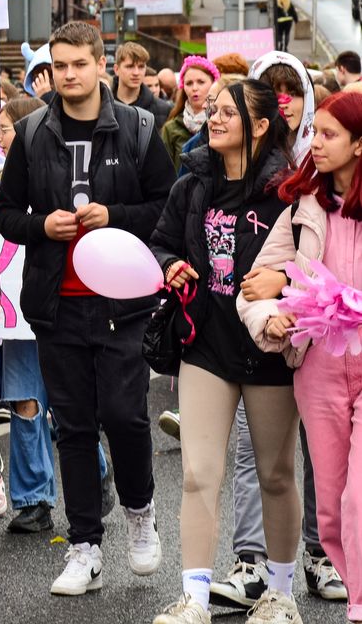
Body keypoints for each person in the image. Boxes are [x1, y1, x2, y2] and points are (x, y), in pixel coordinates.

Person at [0, 21, 175, 596]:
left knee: (123, 415)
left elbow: (166, 208)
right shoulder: (30, 132)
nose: (69, 75)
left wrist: (114, 216)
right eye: (60, 65)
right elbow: (5, 215)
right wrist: (40, 226)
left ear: (101, 64)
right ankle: (84, 547)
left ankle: (141, 516)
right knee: (71, 427)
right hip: (57, 304)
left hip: (123, 303)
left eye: (79, 64)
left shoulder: (139, 128)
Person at [148, 79, 302, 624]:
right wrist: (170, 265)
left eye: (226, 113)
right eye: (210, 111)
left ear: (260, 126)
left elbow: (319, 262)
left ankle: (281, 595)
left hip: (269, 348)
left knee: (276, 474)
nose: (212, 119)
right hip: (206, 346)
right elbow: (161, 239)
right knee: (197, 474)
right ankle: (193, 597)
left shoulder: (289, 190)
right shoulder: (192, 183)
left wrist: (282, 278)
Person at [239, 90, 362, 624]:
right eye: (316, 131)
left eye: (331, 134)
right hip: (319, 371)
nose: (317, 143)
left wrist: (288, 279)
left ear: (360, 144)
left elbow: (286, 279)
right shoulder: (302, 209)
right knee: (331, 510)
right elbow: (252, 290)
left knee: (359, 500)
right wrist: (271, 316)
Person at [0, 95, 63, 534]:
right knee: (24, 400)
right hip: (11, 313)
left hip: (53, 301)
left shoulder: (54, 172)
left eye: (5, 127)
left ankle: (94, 468)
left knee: (70, 403)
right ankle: (33, 498)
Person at [163, 56, 220, 173]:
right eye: (189, 83)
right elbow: (164, 173)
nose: (195, 88)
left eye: (201, 82)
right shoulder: (171, 128)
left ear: (213, 83)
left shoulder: (222, 123)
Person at [113, 42, 172, 128]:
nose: (136, 73)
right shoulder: (104, 106)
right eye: (130, 66)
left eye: (141, 67)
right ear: (116, 69)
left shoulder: (164, 109)